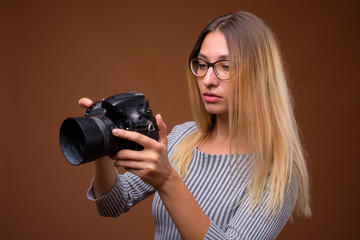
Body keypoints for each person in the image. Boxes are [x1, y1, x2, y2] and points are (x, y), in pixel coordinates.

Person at [79, 11, 311, 240]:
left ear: (259, 74)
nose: (208, 80)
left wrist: (168, 181)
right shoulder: (183, 137)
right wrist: (104, 139)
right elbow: (113, 204)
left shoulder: (278, 172)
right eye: (202, 64)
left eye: (225, 66)